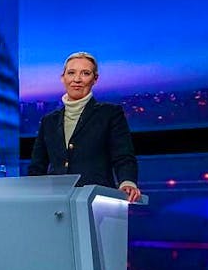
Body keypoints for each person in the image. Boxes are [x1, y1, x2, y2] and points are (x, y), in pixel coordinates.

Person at [28, 52, 141, 202]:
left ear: (95, 79)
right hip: (56, 203)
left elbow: (123, 156)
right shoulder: (49, 121)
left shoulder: (109, 114)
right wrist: (29, 194)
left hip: (97, 201)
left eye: (85, 73)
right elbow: (37, 166)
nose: (77, 79)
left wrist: (127, 182)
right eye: (71, 73)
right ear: (63, 78)